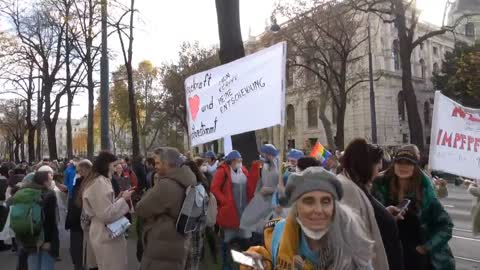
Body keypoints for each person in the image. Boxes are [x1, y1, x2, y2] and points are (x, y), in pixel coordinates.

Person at [241, 167, 374, 270]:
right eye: (309, 201)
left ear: (334, 207)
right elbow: (269, 261)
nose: (318, 210)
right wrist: (261, 262)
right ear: (296, 207)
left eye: (326, 201)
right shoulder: (279, 234)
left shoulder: (351, 242)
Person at [372, 146, 455, 270]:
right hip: (391, 254)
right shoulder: (379, 186)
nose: (403, 166)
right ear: (394, 164)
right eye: (400, 162)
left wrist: (425, 248)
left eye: (409, 163)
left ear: (415, 166)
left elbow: (446, 226)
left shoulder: (426, 191)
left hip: (418, 258)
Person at [338, 138, 403, 270]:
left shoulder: (355, 185)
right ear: (366, 165)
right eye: (378, 163)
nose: (380, 168)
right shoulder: (347, 189)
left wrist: (383, 213)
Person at [135, 147, 195, 270]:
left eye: (157, 163)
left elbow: (141, 209)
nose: (154, 166)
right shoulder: (188, 179)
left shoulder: (166, 185)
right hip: (179, 242)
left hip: (162, 247)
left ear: (166, 163)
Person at [81, 151, 133, 270]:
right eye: (114, 166)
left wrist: (119, 199)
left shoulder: (100, 181)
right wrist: (123, 200)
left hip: (105, 231)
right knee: (110, 265)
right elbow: (106, 214)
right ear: (106, 165)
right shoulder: (99, 183)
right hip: (105, 233)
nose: (116, 170)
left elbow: (104, 207)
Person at [211, 150, 252, 270]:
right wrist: (225, 201)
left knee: (245, 241)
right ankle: (226, 266)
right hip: (229, 213)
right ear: (232, 161)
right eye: (238, 160)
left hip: (243, 213)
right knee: (227, 242)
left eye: (241, 160)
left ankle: (245, 265)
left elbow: (249, 186)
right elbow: (214, 188)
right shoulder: (222, 171)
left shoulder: (243, 170)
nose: (240, 162)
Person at [18, 171, 59, 270]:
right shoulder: (50, 195)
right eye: (50, 179)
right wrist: (48, 241)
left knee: (33, 265)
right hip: (45, 238)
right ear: (44, 181)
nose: (51, 181)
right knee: (46, 264)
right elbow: (50, 221)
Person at [241, 144, 280, 234]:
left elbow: (283, 187)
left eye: (264, 154)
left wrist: (272, 190)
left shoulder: (279, 166)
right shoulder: (264, 166)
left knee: (271, 226)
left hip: (274, 202)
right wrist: (257, 192)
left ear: (269, 154)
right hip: (262, 200)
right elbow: (261, 180)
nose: (262, 156)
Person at [66, 159, 92, 270]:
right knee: (79, 256)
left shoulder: (90, 184)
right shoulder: (79, 183)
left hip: (85, 224)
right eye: (77, 171)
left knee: (83, 257)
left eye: (80, 171)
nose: (78, 173)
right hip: (78, 225)